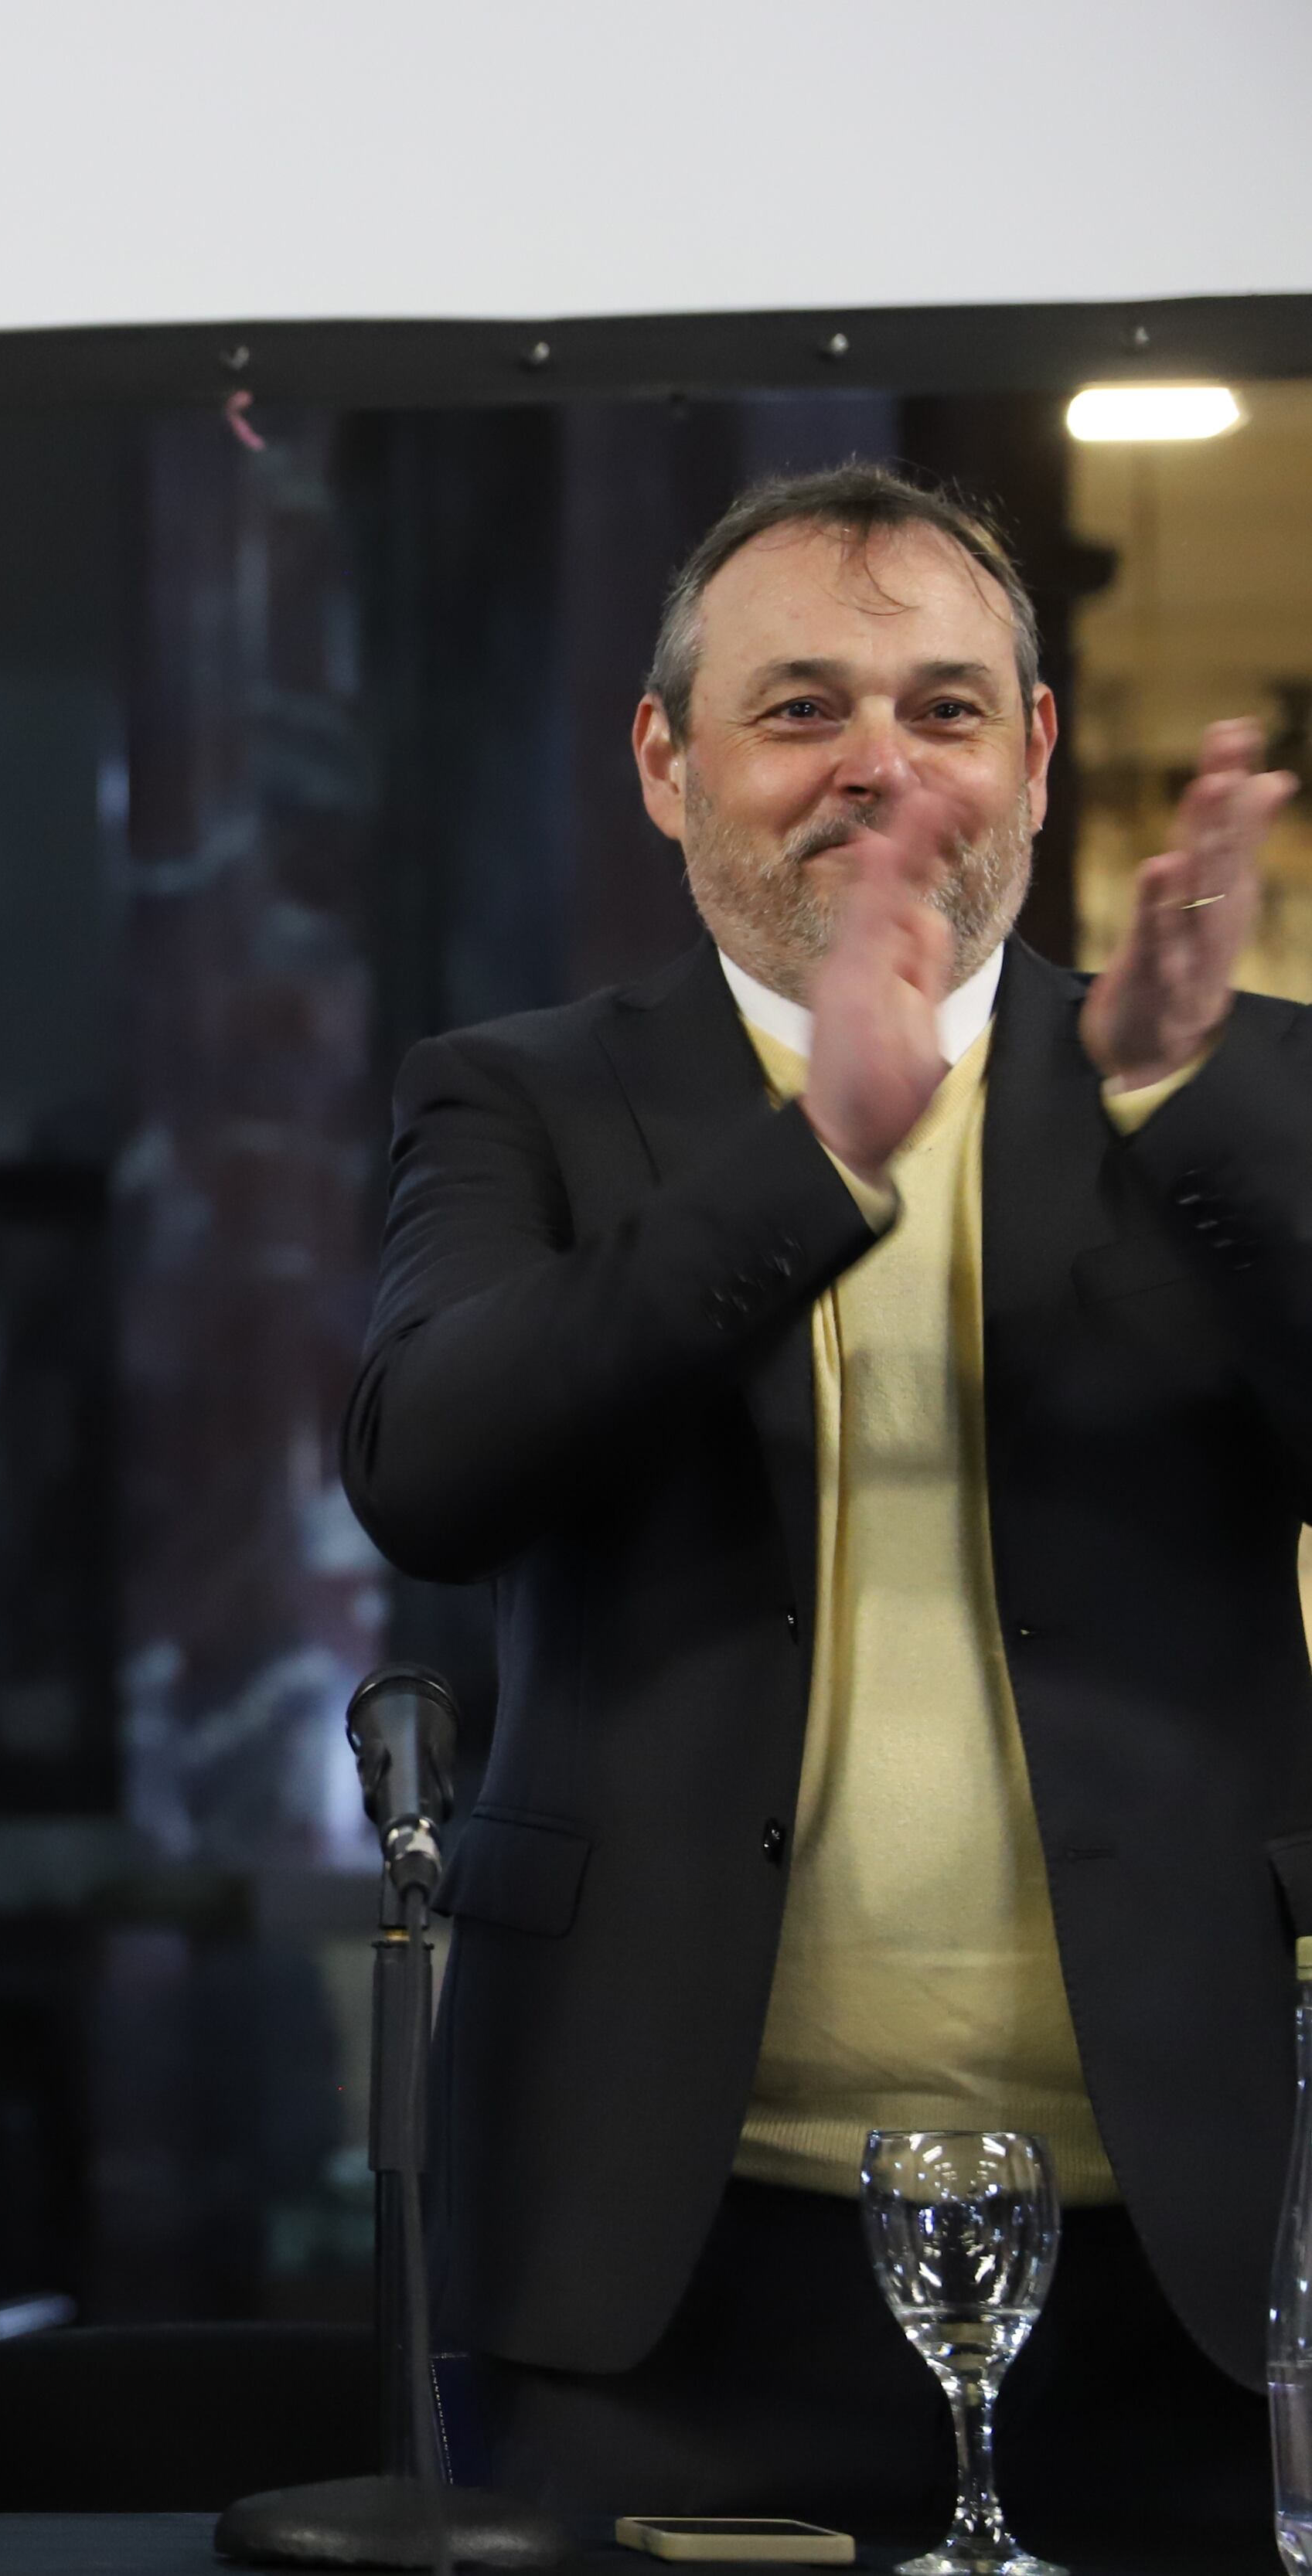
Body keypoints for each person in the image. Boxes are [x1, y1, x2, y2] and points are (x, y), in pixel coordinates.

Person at [346, 461, 1301, 2530]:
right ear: (665, 761)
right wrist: (819, 1166)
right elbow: (432, 1469)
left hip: (1196, 2239)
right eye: (801, 711)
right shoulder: (516, 1094)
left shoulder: (1247, 1085)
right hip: (665, 2251)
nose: (882, 767)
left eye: (946, 710)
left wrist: (1186, 1110)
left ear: (1037, 757)